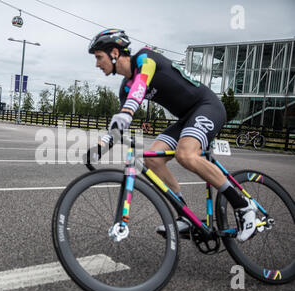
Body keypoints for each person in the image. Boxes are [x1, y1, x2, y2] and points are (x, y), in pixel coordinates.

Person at [88, 29, 257, 242]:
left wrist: (128, 111)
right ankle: (185, 215)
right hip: (186, 118)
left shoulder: (145, 58)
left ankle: (243, 205)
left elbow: (141, 85)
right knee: (152, 158)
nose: (96, 64)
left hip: (207, 106)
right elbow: (119, 125)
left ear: (114, 52)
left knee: (185, 154)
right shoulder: (125, 88)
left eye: (98, 57)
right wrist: (100, 147)